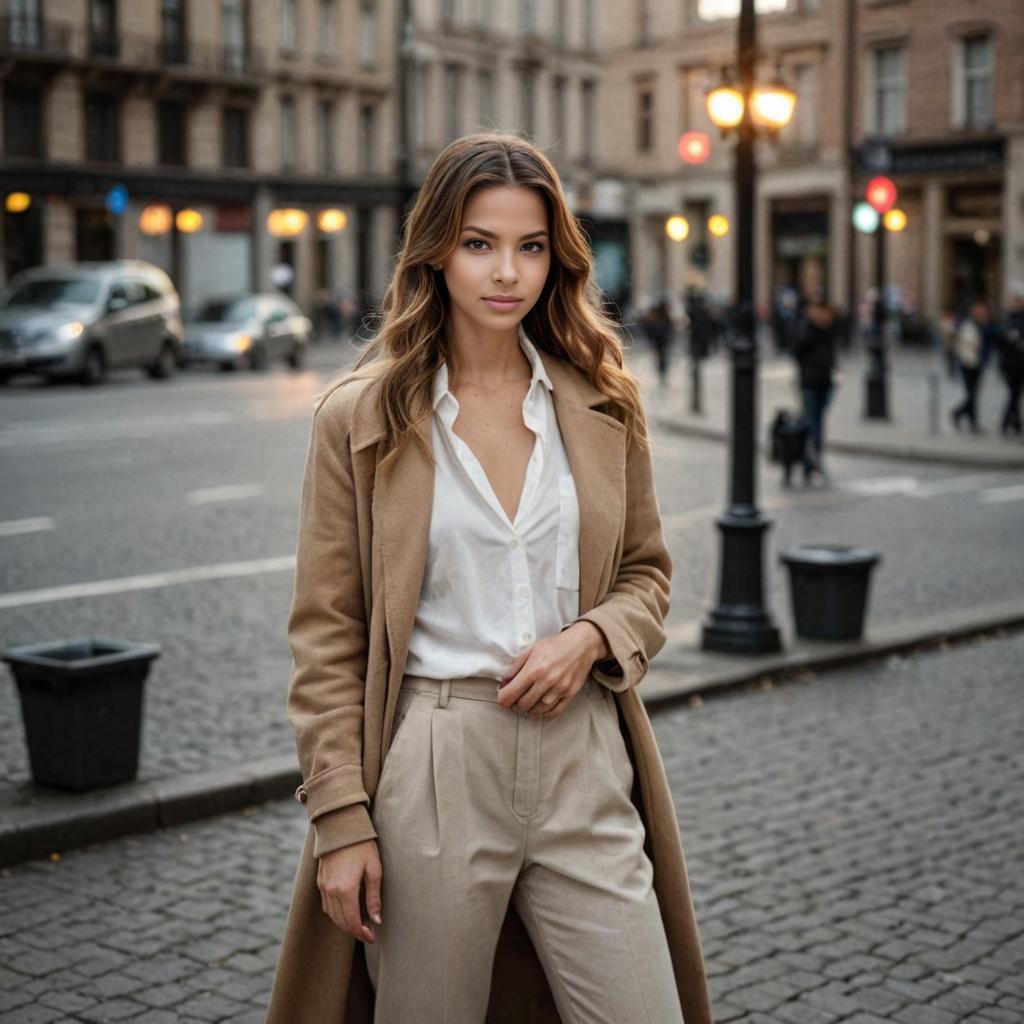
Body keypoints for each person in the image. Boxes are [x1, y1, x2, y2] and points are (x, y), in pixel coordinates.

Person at [266, 132, 713, 1024]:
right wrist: (343, 821)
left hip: (585, 755)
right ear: (436, 251)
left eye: (531, 246)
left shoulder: (600, 402)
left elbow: (645, 577)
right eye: (480, 243)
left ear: (558, 256)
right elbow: (327, 635)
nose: (507, 271)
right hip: (436, 759)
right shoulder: (362, 419)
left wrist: (589, 639)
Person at [792, 288, 838, 485]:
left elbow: (831, 354)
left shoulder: (828, 329)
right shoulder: (806, 328)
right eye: (820, 310)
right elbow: (796, 350)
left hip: (825, 381)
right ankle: (811, 464)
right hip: (810, 381)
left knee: (818, 423)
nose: (824, 314)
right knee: (810, 424)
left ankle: (813, 462)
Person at [951, 297, 997, 433]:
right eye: (977, 308)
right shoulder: (966, 322)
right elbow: (959, 337)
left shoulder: (986, 324)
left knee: (974, 394)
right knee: (972, 394)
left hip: (979, 362)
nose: (980, 310)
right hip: (967, 362)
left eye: (982, 308)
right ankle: (961, 415)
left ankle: (969, 421)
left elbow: (992, 337)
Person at [998, 284, 1024, 435]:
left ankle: (1014, 424)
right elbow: (1003, 341)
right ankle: (1011, 424)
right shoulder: (1008, 319)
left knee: (1015, 395)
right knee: (1014, 394)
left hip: (1021, 364)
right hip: (1010, 364)